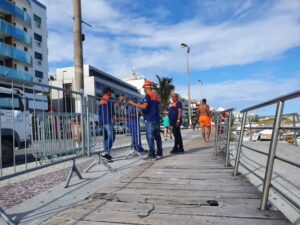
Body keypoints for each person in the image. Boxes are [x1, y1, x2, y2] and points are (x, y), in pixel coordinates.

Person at [128, 80, 163, 159]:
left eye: (144, 88)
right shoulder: (156, 96)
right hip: (156, 118)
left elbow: (144, 106)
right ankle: (160, 152)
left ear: (146, 87)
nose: (144, 89)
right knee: (157, 137)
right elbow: (155, 107)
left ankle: (152, 153)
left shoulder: (148, 95)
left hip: (150, 119)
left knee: (150, 137)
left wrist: (133, 104)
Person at [98, 87, 118, 161]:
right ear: (107, 92)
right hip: (107, 120)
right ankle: (105, 152)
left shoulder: (102, 99)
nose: (111, 94)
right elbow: (116, 105)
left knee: (106, 137)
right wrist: (121, 100)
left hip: (102, 121)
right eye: (110, 92)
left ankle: (106, 153)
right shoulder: (108, 98)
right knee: (112, 136)